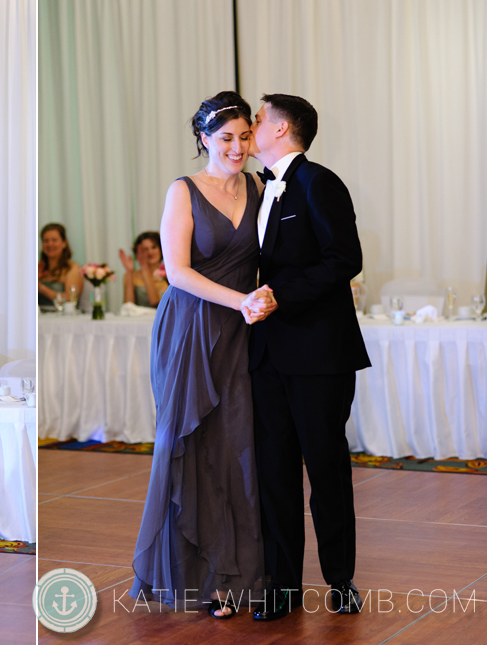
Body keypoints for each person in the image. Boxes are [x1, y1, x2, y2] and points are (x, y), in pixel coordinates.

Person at [129, 92, 276, 619]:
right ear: (204, 141)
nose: (237, 147)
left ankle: (235, 575)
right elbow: (178, 272)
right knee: (189, 444)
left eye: (243, 136)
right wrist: (241, 300)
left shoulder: (261, 186)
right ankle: (198, 574)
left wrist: (263, 297)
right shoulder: (184, 190)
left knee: (236, 447)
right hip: (191, 328)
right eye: (225, 139)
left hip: (243, 333)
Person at [248, 94, 370, 620]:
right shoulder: (254, 190)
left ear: (281, 129)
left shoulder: (320, 182)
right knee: (273, 470)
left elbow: (345, 258)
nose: (249, 127)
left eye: (256, 118)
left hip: (320, 354)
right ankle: (283, 586)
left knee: (326, 469)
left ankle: (340, 580)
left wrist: (282, 293)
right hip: (265, 355)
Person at [38, 223, 83, 310]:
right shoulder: (39, 269)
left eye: (54, 240)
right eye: (46, 241)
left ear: (64, 243)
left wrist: (40, 288)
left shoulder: (72, 268)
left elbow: (70, 299)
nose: (50, 244)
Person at [118, 231, 169, 307]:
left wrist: (144, 268)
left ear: (161, 249)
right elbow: (128, 306)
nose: (150, 252)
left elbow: (156, 304)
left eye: (154, 247)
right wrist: (129, 272)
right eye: (145, 249)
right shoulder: (132, 275)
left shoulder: (168, 275)